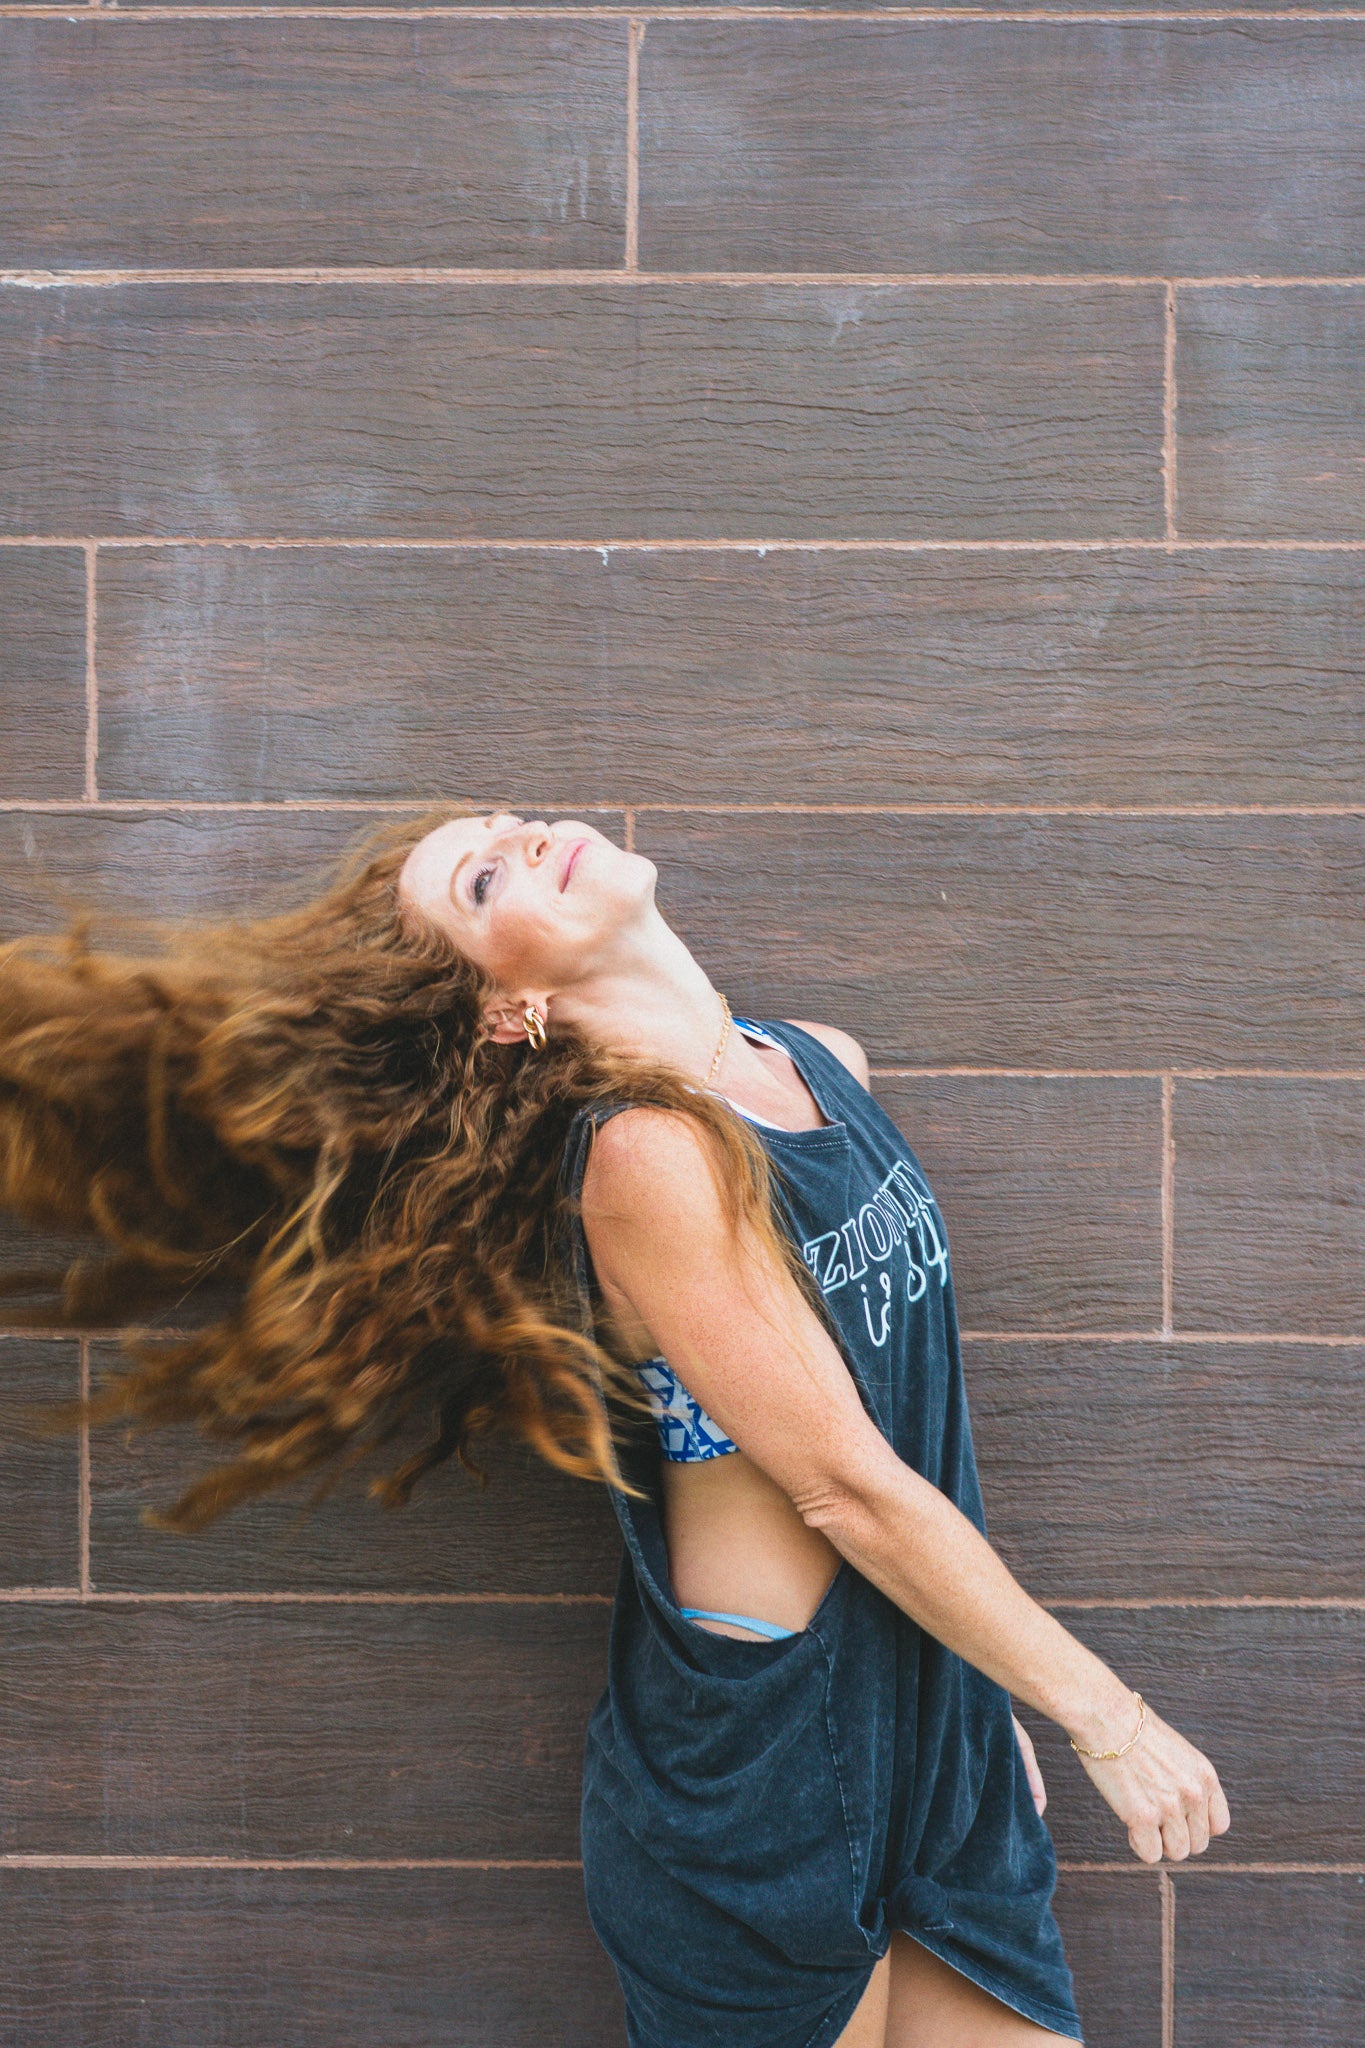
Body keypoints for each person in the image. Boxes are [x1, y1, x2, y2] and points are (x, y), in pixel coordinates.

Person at [0, 806, 1230, 2048]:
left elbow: (913, 1421)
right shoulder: (644, 1157)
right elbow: (845, 1485)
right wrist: (1103, 1713)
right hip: (771, 1772)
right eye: (483, 880)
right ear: (504, 1005)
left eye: (507, 824)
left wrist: (969, 1687)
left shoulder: (818, 1065)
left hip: (929, 1725)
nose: (529, 836)